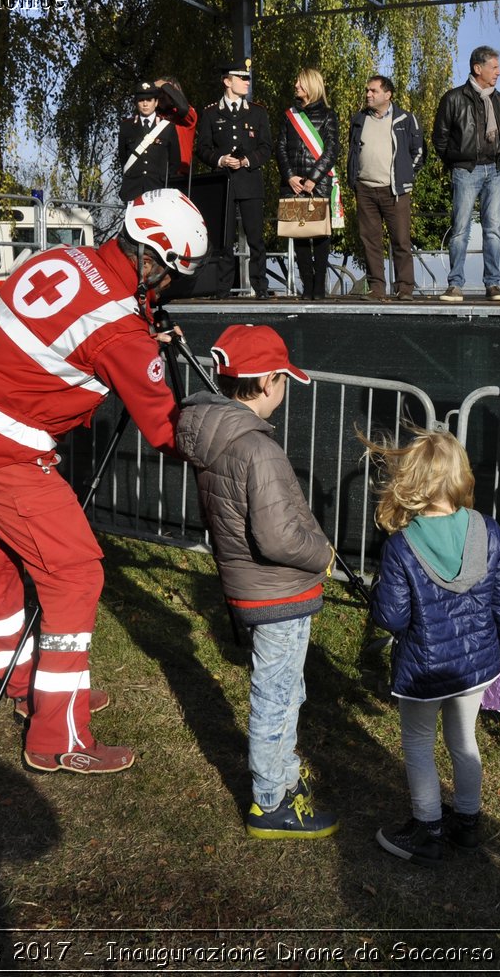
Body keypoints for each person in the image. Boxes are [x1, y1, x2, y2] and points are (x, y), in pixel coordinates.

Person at [0, 189, 207, 774]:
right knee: (75, 572)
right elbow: (167, 430)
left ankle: (28, 685)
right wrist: (226, 431)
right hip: (0, 446)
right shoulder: (122, 333)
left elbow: (74, 328)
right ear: (151, 259)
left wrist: (135, 341)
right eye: (174, 275)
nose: (171, 288)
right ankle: (59, 735)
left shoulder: (61, 259)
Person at [175, 324, 339, 839]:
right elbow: (278, 538)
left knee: (287, 688)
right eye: (285, 380)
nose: (284, 390)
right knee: (277, 696)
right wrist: (324, 556)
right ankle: (272, 800)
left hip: (250, 587)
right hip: (279, 593)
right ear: (268, 382)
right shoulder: (259, 450)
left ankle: (284, 770)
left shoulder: (217, 436)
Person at [366, 428, 500, 864]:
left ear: (411, 480)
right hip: (477, 666)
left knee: (418, 743)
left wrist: (380, 592)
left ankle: (428, 829)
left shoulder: (401, 546)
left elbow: (392, 619)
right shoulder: (489, 530)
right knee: (463, 739)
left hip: (424, 668)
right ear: (461, 476)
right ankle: (468, 824)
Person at [432, 46, 500, 303]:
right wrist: (457, 161)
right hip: (466, 171)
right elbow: (439, 139)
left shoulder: (499, 99)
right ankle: (455, 285)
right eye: (494, 67)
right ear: (478, 68)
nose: (498, 72)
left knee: (493, 230)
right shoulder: (453, 98)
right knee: (460, 230)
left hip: (494, 170)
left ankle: (493, 284)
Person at [196, 62, 273, 298]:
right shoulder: (210, 113)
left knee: (255, 238)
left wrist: (246, 160)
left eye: (247, 78)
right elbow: (202, 148)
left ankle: (260, 286)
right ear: (227, 81)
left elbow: (266, 147)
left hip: (249, 180)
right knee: (224, 240)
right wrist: (220, 159)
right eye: (241, 78)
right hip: (224, 183)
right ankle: (222, 288)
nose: (247, 82)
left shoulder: (257, 112)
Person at [347, 74, 425, 302]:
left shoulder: (406, 119)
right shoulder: (359, 119)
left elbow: (418, 152)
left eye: (373, 91)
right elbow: (353, 151)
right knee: (370, 240)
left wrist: (405, 175)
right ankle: (376, 289)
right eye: (367, 91)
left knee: (401, 240)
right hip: (365, 189)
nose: (368, 95)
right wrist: (355, 179)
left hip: (396, 191)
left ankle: (404, 289)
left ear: (387, 94)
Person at [276, 67, 342, 301]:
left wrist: (313, 177)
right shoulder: (289, 115)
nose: (295, 85)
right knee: (300, 236)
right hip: (293, 185)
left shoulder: (328, 115)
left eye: (300, 82)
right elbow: (281, 148)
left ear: (311, 86)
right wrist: (290, 176)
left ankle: (319, 288)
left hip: (318, 184)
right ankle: (308, 286)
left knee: (321, 237)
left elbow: (332, 149)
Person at [118, 80, 182, 201]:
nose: (145, 104)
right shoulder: (126, 127)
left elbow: (175, 161)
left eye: (149, 100)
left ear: (156, 102)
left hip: (158, 189)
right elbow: (123, 157)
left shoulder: (168, 128)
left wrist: (164, 180)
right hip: (133, 189)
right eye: (141, 100)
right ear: (136, 103)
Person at [153, 76, 196, 180]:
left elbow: (183, 108)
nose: (162, 96)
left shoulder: (185, 114)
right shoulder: (153, 116)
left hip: (179, 174)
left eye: (166, 92)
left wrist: (164, 85)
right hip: (155, 175)